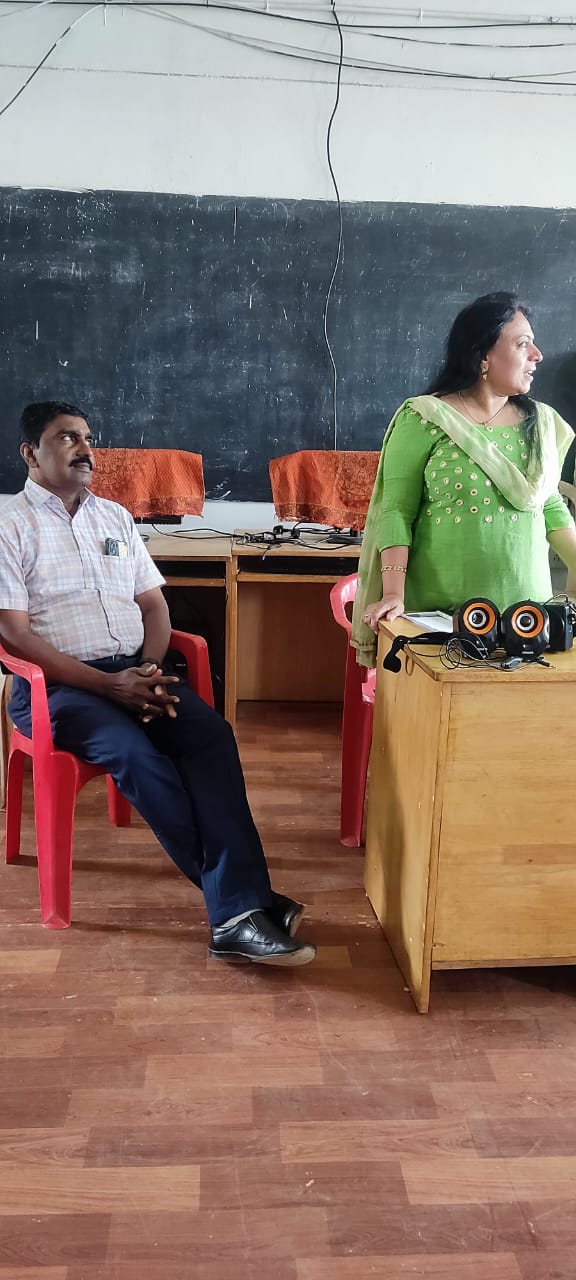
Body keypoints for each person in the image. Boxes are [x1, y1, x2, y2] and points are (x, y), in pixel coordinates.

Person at [0, 401, 316, 967]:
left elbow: (154, 606)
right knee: (138, 757)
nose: (85, 449)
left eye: (87, 438)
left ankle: (239, 912)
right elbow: (15, 636)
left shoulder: (114, 517)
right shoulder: (9, 525)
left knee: (211, 737)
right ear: (30, 453)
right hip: (58, 691)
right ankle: (246, 907)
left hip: (134, 673)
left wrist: (146, 668)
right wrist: (109, 686)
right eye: (67, 438)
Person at [352, 291, 576, 665]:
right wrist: (392, 593)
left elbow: (550, 506)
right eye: (523, 344)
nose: (537, 355)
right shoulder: (424, 418)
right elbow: (396, 512)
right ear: (483, 354)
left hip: (526, 623)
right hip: (439, 624)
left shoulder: (541, 424)